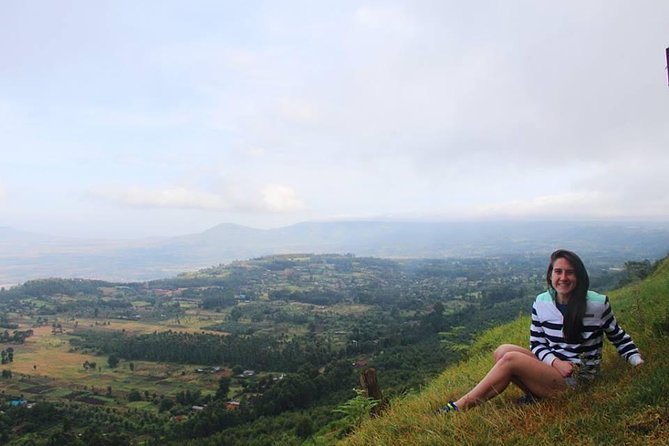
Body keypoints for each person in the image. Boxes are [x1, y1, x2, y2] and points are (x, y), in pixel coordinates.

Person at [439, 249, 644, 413]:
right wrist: (556, 362)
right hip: (556, 368)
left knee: (510, 359)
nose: (563, 277)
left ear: (579, 276)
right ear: (550, 275)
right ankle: (536, 394)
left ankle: (460, 406)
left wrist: (637, 362)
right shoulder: (542, 302)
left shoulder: (597, 305)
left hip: (578, 379)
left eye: (569, 272)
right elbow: (536, 343)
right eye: (558, 271)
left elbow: (619, 337)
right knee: (503, 350)